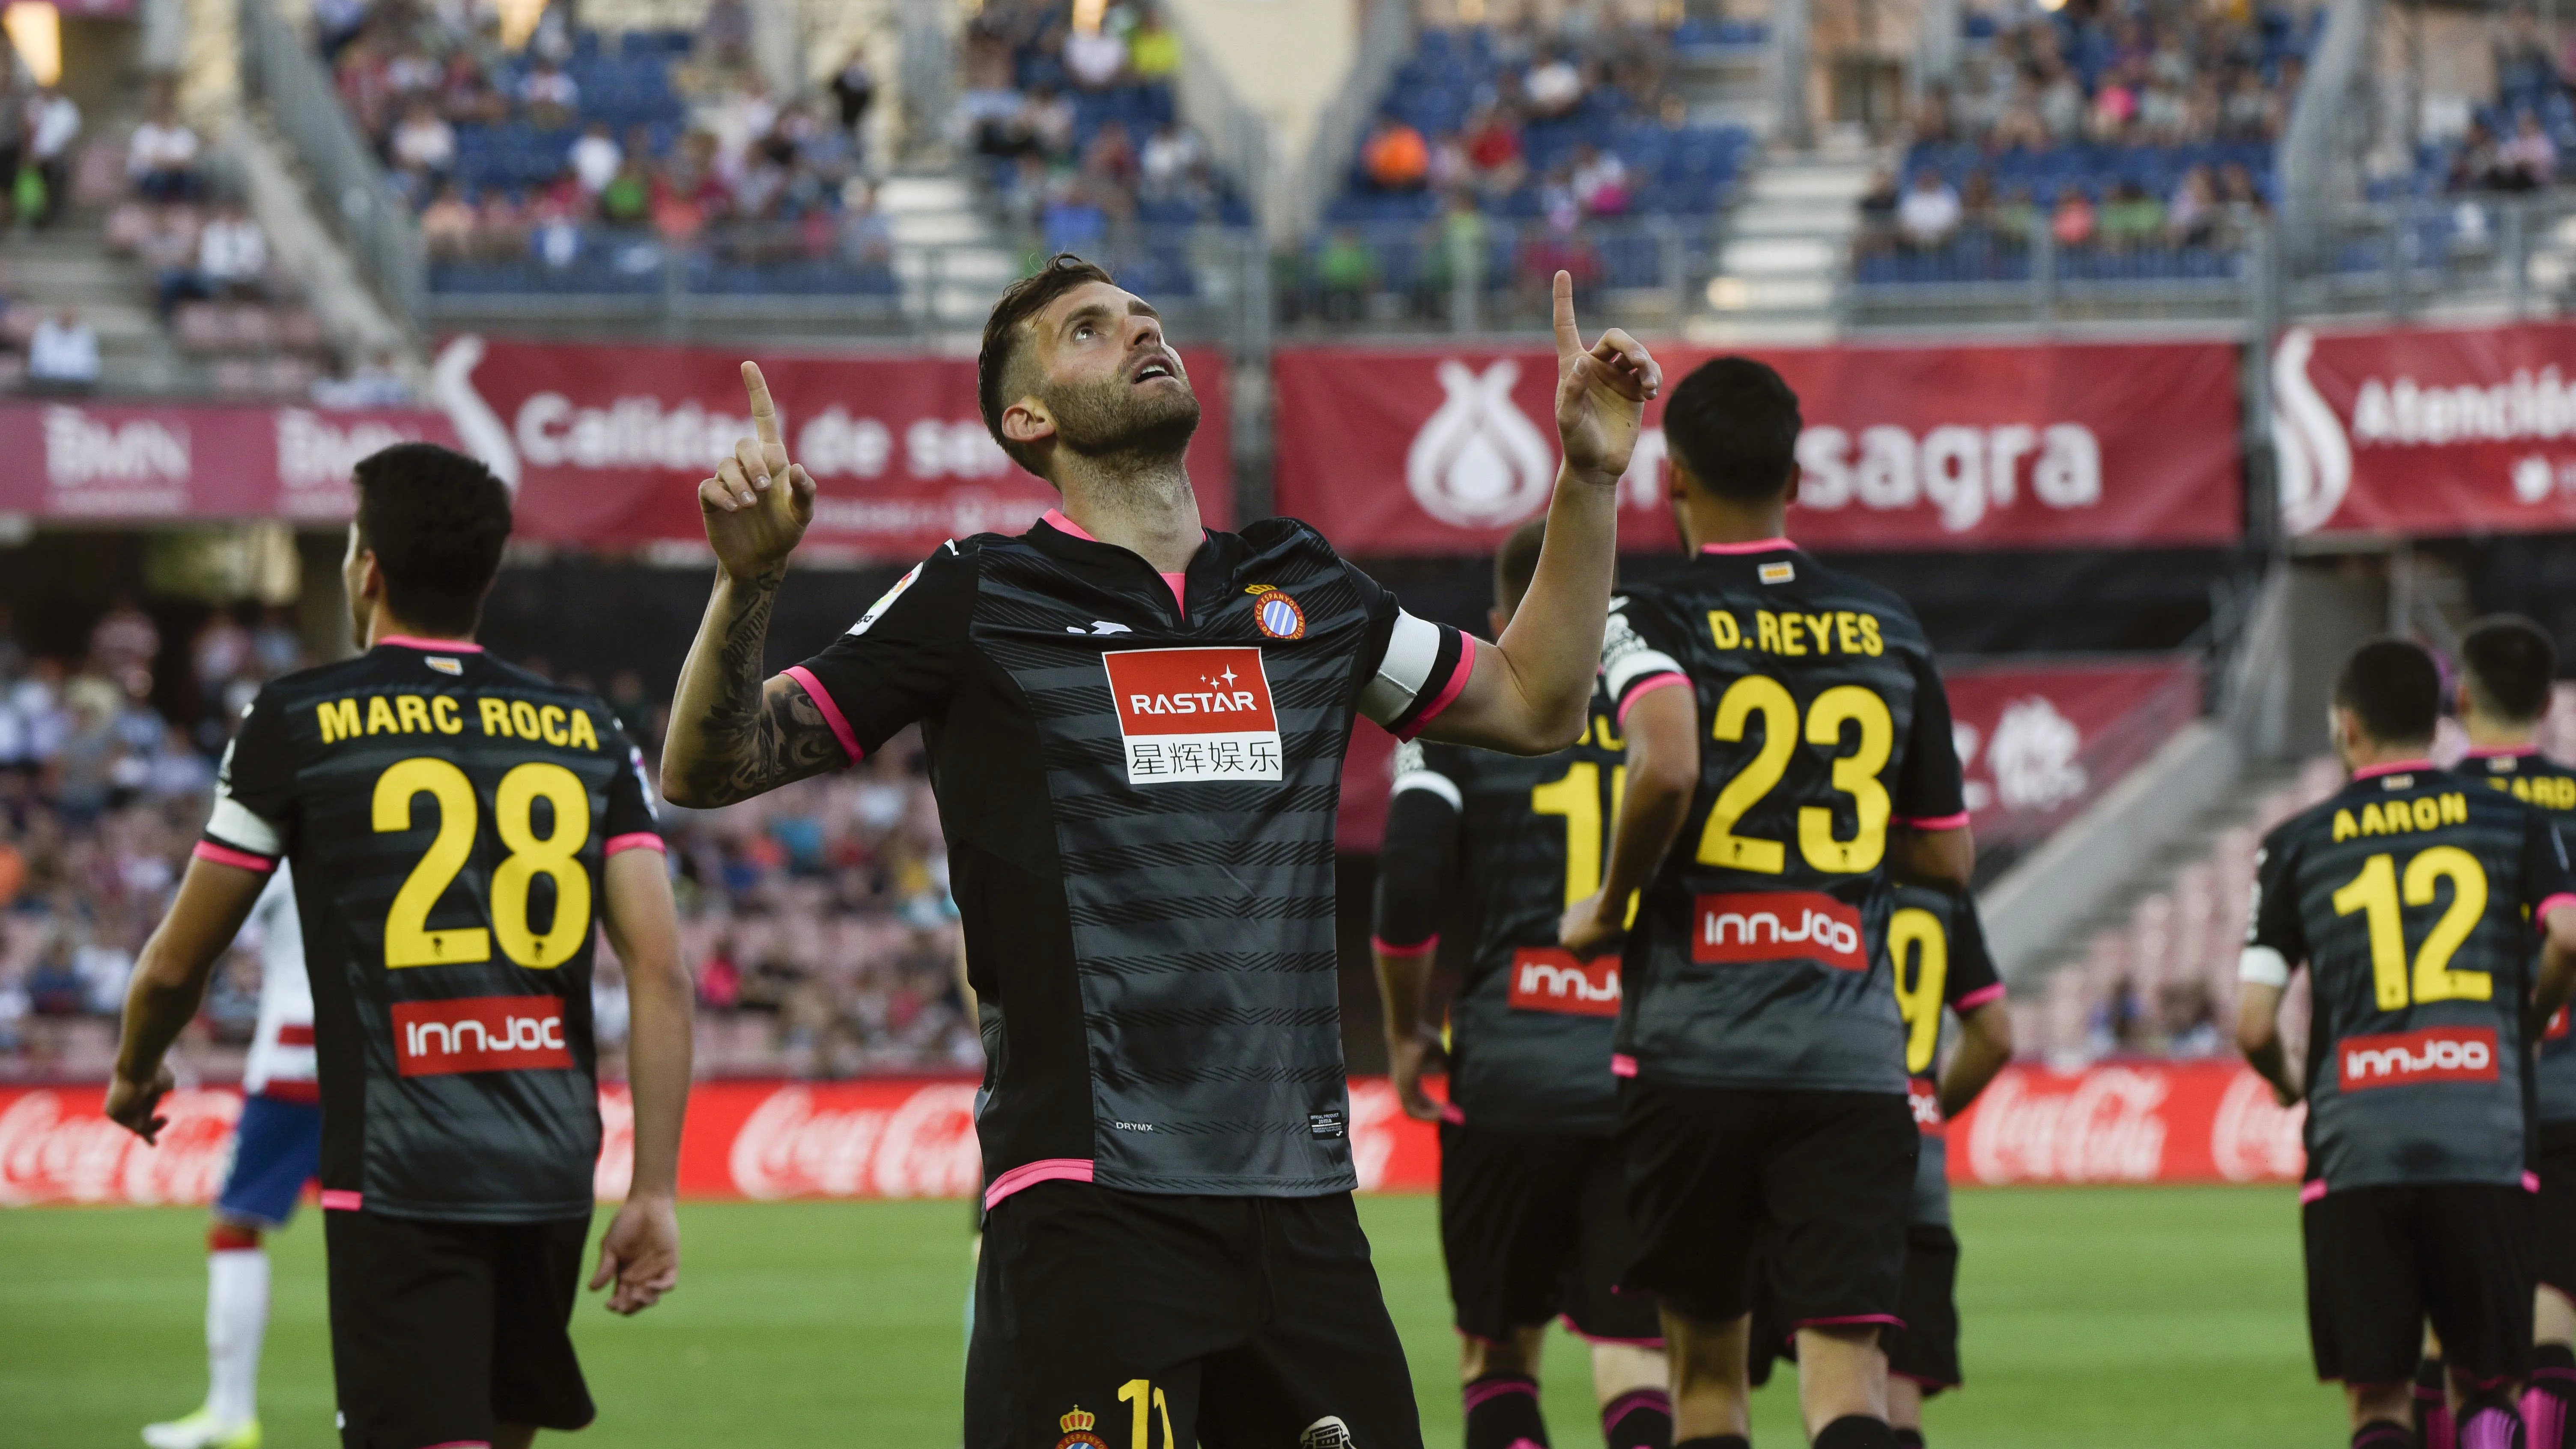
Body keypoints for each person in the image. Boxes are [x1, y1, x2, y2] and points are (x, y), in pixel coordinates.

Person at [657, 253, 1658, 1449]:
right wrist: (749, 584)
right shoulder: (978, 594)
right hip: (1089, 1205)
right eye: (1089, 330)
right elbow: (713, 767)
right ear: (1026, 418)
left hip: (1302, 1209)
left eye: (1147, 318)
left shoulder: (1305, 587)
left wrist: (1587, 479)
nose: (1142, 335)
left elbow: (1538, 705)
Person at [105, 442, 698, 1449]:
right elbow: (661, 972)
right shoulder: (590, 730)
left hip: (403, 1160)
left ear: (366, 569)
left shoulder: (297, 720)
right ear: (488, 573)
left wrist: (134, 1069)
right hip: (551, 1160)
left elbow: (174, 961)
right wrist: (653, 1188)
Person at [1560, 355, 1973, 1449]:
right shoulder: (1890, 626)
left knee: (1705, 1381)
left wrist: (1608, 909)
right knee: (1846, 1382)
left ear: (1673, 479)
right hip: (1847, 1058)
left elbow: (1664, 766)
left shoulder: (1643, 612)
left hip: (1692, 1051)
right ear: (1797, 475)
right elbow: (1947, 860)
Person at [1372, 518, 1672, 1449]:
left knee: (1497, 1359)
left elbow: (1410, 884)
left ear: (1508, 617)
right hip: (1638, 1076)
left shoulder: (1457, 720)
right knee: (1636, 1355)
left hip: (1504, 1078)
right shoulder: (1657, 715)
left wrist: (1403, 1031)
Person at [2237, 637, 2576, 1449]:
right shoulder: (2513, 822)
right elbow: (2565, 934)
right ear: (2438, 721)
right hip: (2485, 1130)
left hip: (2357, 1140)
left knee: (2379, 1398)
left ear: (2347, 728)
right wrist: (2525, 1028)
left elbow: (2253, 1022)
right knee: (2487, 1380)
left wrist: (2290, 1082)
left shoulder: (2297, 843)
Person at [1744, 886, 2013, 1449]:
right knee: (1889, 1392)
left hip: (1799, 1132)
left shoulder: (1810, 870)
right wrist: (1929, 1109)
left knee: (1713, 1380)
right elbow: (1994, 1035)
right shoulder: (1942, 895)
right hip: (1911, 1155)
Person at [2446, 615, 2576, 1445]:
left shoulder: (2426, 808)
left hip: (2454, 1091)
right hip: (2567, 1085)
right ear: (2544, 702)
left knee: (2457, 1320)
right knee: (2557, 1296)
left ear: (2459, 697)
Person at [143, 866, 318, 1449]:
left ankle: (231, 1412)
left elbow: (193, 933)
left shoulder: (288, 827)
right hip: (392, 1057)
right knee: (393, 1235)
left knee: (236, 1226)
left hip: (298, 1060)